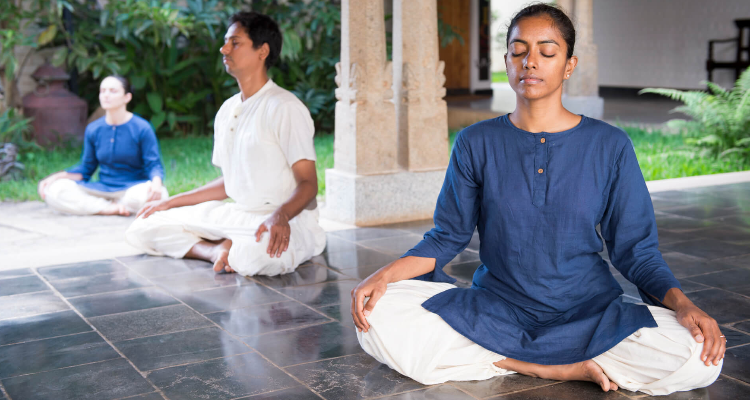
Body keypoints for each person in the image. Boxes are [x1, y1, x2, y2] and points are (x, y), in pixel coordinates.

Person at [350, 4, 723, 396]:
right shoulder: (475, 142)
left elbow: (637, 251)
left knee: (699, 357)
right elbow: (447, 236)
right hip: (498, 308)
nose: (530, 62)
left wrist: (683, 305)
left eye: (547, 52)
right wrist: (383, 277)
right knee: (378, 314)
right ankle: (553, 367)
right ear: (507, 60)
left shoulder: (609, 145)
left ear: (569, 65)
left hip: (589, 311)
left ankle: (504, 359)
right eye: (518, 51)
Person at [124, 11, 326, 277]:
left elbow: (308, 184)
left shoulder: (285, 107)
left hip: (284, 220)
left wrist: (282, 216)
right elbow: (229, 183)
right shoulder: (227, 110)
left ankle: (233, 249)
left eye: (235, 42)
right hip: (238, 215)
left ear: (262, 51)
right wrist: (171, 202)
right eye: (225, 42)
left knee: (253, 256)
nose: (224, 48)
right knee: (144, 225)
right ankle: (215, 251)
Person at [38, 76, 167, 216]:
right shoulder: (94, 129)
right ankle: (109, 208)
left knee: (161, 195)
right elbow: (86, 169)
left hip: (132, 189)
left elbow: (153, 164)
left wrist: (156, 184)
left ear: (127, 97)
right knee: (54, 190)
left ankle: (105, 206)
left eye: (113, 91)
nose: (106, 95)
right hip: (101, 189)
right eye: (102, 91)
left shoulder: (142, 128)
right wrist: (55, 177)